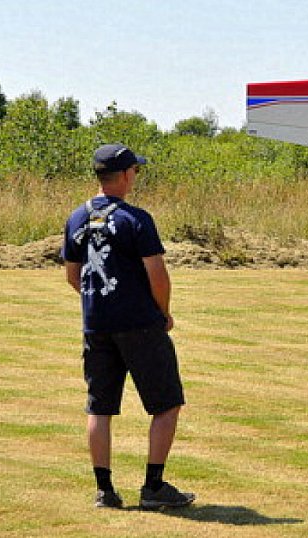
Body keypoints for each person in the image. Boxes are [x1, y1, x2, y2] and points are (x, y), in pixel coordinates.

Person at [62, 143, 195, 509]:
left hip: (96, 325)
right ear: (123, 175)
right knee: (166, 403)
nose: (136, 175)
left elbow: (73, 275)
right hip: (139, 323)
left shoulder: (76, 218)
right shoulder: (136, 219)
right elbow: (158, 275)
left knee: (100, 408)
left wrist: (100, 303)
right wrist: (163, 312)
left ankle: (105, 490)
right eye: (135, 170)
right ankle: (153, 486)